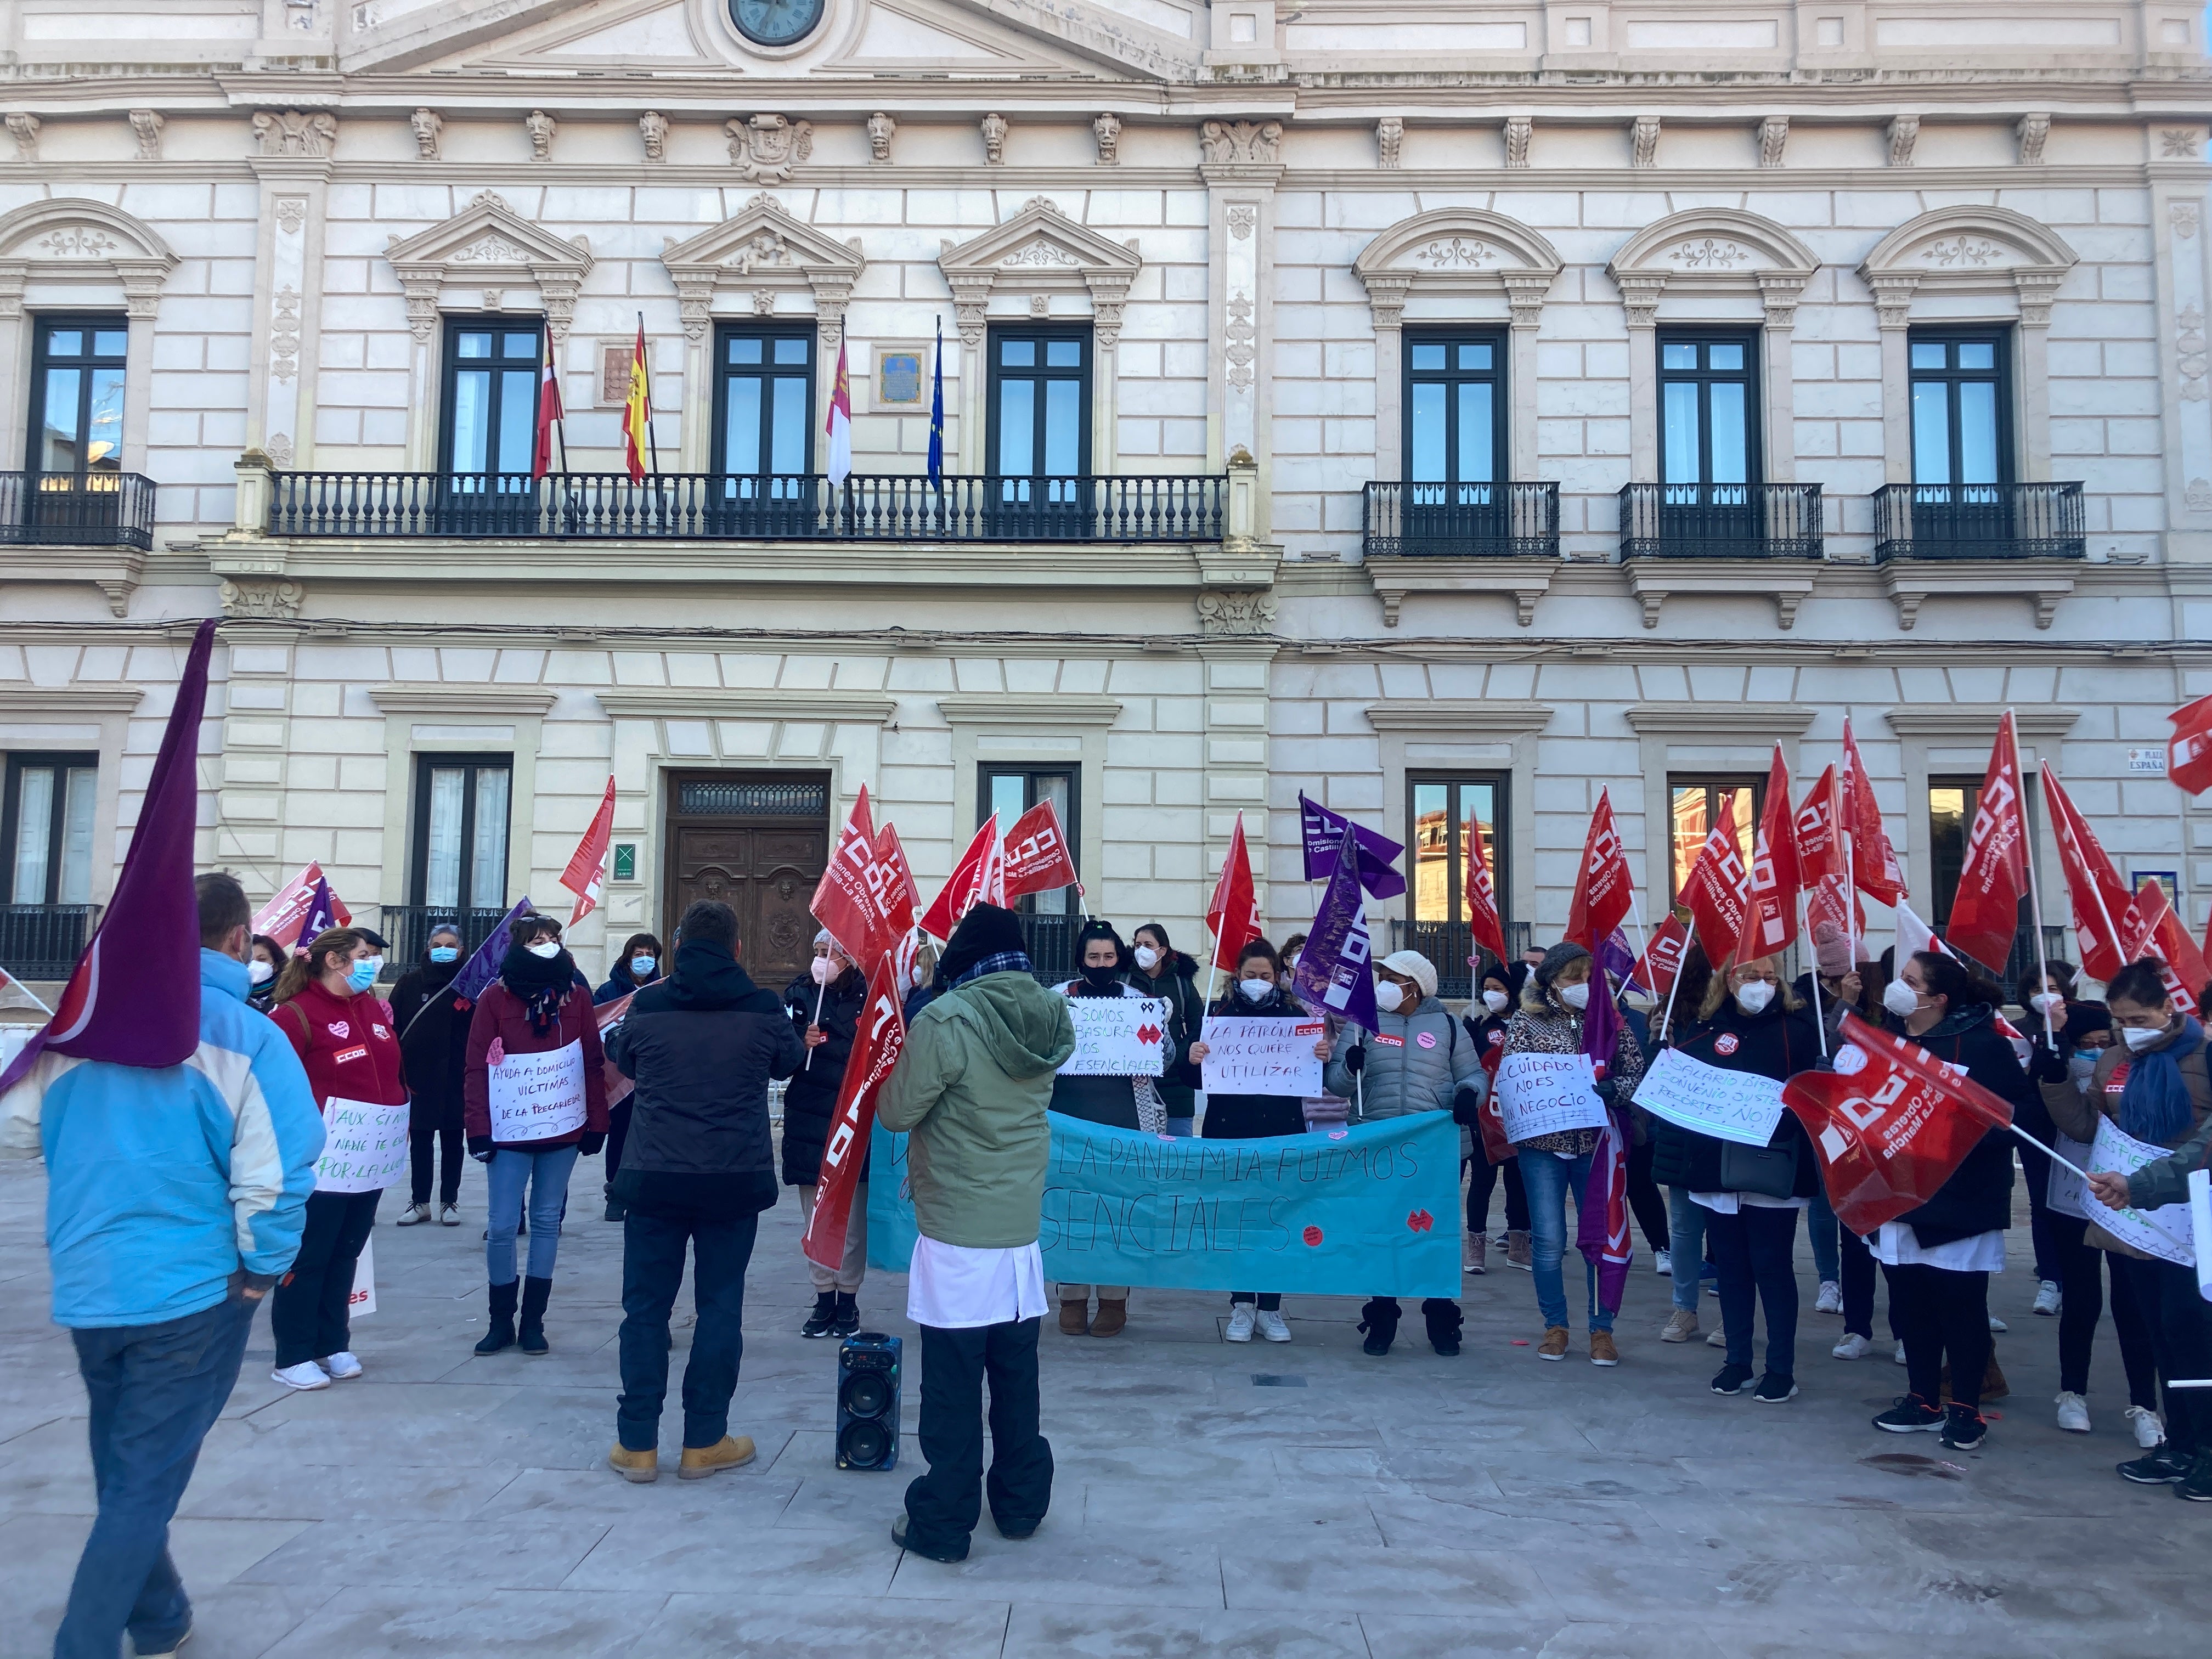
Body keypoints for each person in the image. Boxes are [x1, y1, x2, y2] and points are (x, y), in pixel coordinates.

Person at [2, 873, 324, 1659]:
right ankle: (85, 1641)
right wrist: (264, 1269)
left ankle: (159, 1616)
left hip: (90, 1281)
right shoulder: (248, 1036)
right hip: (194, 1292)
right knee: (144, 1479)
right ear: (240, 940)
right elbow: (278, 1174)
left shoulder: (79, 1030)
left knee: (126, 1466)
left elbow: (15, 1132)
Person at [878, 902, 1074, 1564]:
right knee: (1017, 1375)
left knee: (953, 1383)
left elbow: (898, 1111)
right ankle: (1020, 1506)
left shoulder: (947, 1018)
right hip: (1018, 1225)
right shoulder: (1049, 1014)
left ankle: (943, 1520)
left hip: (958, 1226)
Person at [603, 899, 804, 1483]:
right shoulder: (763, 1006)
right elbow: (790, 1061)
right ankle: (705, 1439)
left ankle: (637, 1444)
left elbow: (624, 1059)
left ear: (679, 947)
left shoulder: (649, 1004)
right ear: (737, 948)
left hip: (655, 1177)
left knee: (645, 1309)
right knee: (720, 1307)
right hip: (731, 1180)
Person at [2055, 957, 2212, 1492]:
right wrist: (2053, 1077)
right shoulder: (2116, 1061)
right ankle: (2181, 1444)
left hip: (2193, 1220)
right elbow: (2088, 1124)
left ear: (2168, 1007)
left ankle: (2208, 1451)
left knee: (2194, 1337)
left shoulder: (2204, 1055)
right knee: (2161, 1335)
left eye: (2139, 1019)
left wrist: (2142, 1183)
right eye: (2121, 1021)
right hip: (2138, 1220)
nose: (2129, 1031)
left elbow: (2203, 1148)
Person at [1868, 950, 2028, 1452]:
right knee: (1910, 1306)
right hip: (1898, 1197)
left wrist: (1949, 1127)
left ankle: (1965, 1408)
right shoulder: (1889, 1043)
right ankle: (1922, 1399)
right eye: (1900, 978)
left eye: (1911, 981)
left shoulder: (1985, 1047)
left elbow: (2016, 1123)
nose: (1899, 987)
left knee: (1960, 1309)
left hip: (1960, 1200)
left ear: (1937, 998)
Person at [1652, 955, 1823, 1403]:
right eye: (1751, 976)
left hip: (1772, 1167)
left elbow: (1814, 1098)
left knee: (1772, 1266)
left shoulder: (1798, 1031)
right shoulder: (1704, 1029)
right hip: (1715, 1168)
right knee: (1730, 1268)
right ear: (1730, 981)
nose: (1761, 984)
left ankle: (1780, 1368)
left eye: (1769, 977)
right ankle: (1738, 1361)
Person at [462, 912, 609, 1357]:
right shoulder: (494, 999)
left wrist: (597, 1122)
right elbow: (475, 1067)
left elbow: (593, 1062)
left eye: (551, 938)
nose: (546, 945)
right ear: (518, 947)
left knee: (547, 1221)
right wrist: (478, 1129)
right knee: (502, 1224)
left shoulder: (577, 998)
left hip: (562, 1130)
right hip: (508, 1132)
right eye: (536, 940)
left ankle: (533, 1322)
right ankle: (499, 1321)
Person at [1326, 950, 1486, 1357]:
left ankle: (1442, 1320)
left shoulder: (1448, 1025)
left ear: (1415, 986)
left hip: (1436, 1149)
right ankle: (1381, 1319)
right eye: (1381, 977)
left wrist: (1469, 1094)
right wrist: (1349, 1067)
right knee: (1382, 1231)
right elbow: (1337, 1085)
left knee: (1434, 1231)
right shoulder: (1362, 1024)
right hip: (1377, 1144)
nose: (1383, 985)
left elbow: (1473, 1074)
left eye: (1392, 978)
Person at [266, 925, 405, 1391]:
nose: (372, 963)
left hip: (367, 1158)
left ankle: (332, 1342)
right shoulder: (295, 1015)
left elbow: (391, 1072)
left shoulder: (372, 1008)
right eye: (363, 955)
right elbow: (272, 1088)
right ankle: (293, 1353)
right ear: (334, 960)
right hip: (320, 1160)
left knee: (347, 1251)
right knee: (309, 1255)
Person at [1501, 940, 1645, 1367]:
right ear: (1552, 982)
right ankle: (1556, 1325)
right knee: (1548, 1240)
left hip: (1596, 1147)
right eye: (1573, 977)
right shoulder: (1526, 1021)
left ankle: (1602, 1329)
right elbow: (1512, 1078)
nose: (1583, 983)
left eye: (1589, 976)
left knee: (1599, 1237)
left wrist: (1614, 1089)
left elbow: (1637, 1073)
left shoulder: (1611, 1022)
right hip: (1542, 1148)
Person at [1189, 939, 1333, 1343]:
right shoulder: (1218, 1016)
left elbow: (1314, 1078)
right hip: (1229, 1131)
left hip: (1281, 1132)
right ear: (1237, 975)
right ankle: (1241, 1305)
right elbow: (1193, 1078)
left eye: (1265, 976)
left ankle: (1270, 1307)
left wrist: (1321, 1056)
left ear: (1278, 977)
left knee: (1278, 1216)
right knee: (1237, 1218)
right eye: (1250, 975)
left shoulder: (1295, 1016)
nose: (1257, 982)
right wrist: (1193, 1056)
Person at [1049, 919, 1160, 1338]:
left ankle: (1114, 1299)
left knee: (1118, 1211)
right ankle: (1072, 1297)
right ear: (1081, 960)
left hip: (1124, 1120)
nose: (1101, 963)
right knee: (1071, 1210)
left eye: (1109, 956)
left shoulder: (1139, 1001)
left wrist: (1161, 1037)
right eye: (1093, 957)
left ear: (1119, 959)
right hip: (1067, 1120)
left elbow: (1163, 1058)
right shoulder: (1057, 1000)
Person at [782, 929, 871, 1340]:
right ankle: (823, 1298)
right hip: (809, 1120)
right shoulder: (799, 995)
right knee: (815, 1217)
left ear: (848, 958)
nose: (820, 960)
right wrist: (800, 1044)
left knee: (851, 1221)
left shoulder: (870, 997)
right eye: (817, 951)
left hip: (854, 1119)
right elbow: (779, 1060)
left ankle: (848, 1300)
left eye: (829, 952)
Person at [2019, 960, 2111, 1317]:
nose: (2045, 996)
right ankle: (2051, 1279)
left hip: (2090, 1142)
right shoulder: (2019, 1030)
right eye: (2037, 989)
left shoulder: (2085, 1021)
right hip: (2041, 1132)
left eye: (2054, 989)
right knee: (2044, 1207)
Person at [1792, 921, 1866, 1318]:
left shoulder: (1874, 1000)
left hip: (1863, 1114)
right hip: (1822, 1116)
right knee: (1823, 1200)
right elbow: (1825, 1047)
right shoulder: (1804, 1002)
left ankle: (1858, 1281)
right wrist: (1846, 1006)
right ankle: (1828, 1279)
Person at [1656, 941, 1719, 1344]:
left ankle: (1732, 1313)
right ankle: (1684, 1309)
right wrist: (1658, 1044)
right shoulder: (1672, 1016)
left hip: (1727, 1137)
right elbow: (1651, 1077)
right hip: (1683, 1136)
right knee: (1683, 1229)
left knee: (1729, 1231)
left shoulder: (1740, 1018)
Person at [388, 925, 469, 1227]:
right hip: (418, 1076)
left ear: (461, 950)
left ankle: (450, 1201)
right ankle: (420, 1202)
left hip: (457, 1075)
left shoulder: (471, 985)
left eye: (449, 945)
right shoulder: (409, 983)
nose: (443, 950)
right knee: (420, 1141)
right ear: (428, 948)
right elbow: (392, 1027)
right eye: (437, 945)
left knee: (453, 1140)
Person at [1461, 958, 1531, 1274]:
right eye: (1486, 988)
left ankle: (1519, 1245)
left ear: (1512, 991)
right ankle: (1476, 1247)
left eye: (1498, 988)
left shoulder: (1529, 1025)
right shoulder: (1482, 1026)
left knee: (1519, 1183)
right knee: (1482, 1181)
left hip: (1520, 1118)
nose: (1491, 994)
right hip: (1485, 1120)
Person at [592, 931, 663, 1222]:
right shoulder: (608, 992)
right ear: (627, 958)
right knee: (620, 1137)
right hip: (620, 1078)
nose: (645, 960)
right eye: (639, 954)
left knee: (652, 1138)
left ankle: (646, 1195)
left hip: (653, 1079)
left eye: (650, 955)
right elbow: (597, 1028)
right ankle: (615, 1194)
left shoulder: (663, 991)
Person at [1126, 921, 1204, 1138]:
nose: (1141, 950)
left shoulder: (1182, 983)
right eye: (1138, 945)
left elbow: (1199, 1024)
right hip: (1135, 1082)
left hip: (1176, 1084)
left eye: (1148, 945)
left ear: (1162, 951)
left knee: (1177, 1148)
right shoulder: (1124, 979)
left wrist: (1178, 1055)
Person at [246, 932, 284, 1013]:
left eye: (262, 959)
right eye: (248, 961)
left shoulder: (290, 992)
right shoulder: (237, 999)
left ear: (276, 965)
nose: (254, 966)